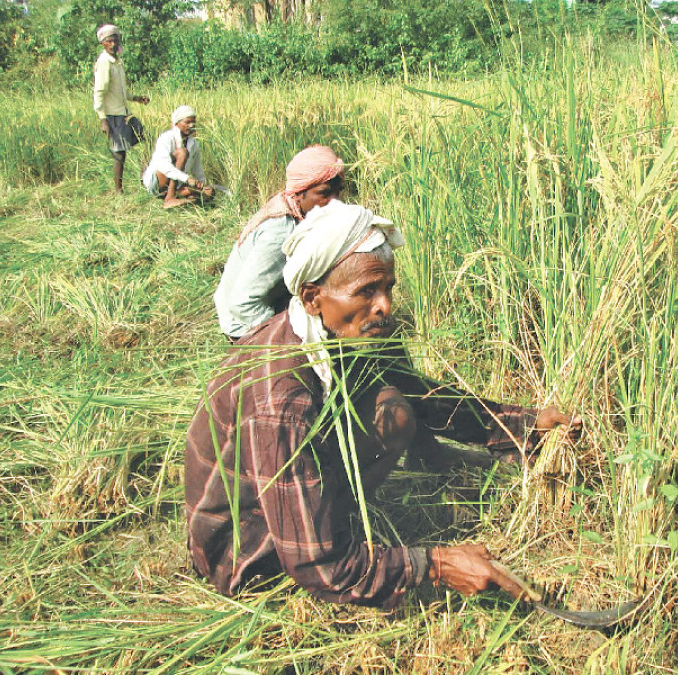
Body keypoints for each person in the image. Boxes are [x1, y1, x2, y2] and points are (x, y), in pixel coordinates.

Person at [186, 200, 578, 608]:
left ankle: (337, 521)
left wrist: (523, 424)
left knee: (395, 410)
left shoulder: (335, 330)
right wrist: (436, 564)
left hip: (281, 502)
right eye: (366, 291)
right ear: (312, 297)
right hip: (244, 551)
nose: (385, 306)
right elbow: (323, 569)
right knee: (323, 550)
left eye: (388, 288)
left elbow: (423, 397)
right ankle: (332, 537)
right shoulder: (280, 400)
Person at [213, 145, 344, 341]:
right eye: (324, 193)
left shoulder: (294, 206)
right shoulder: (281, 231)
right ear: (299, 193)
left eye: (338, 191)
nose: (335, 202)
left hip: (265, 300)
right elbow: (241, 303)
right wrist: (285, 337)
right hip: (242, 323)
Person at [93, 25, 149, 193]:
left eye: (115, 40)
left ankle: (144, 177)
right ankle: (119, 191)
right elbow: (99, 92)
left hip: (124, 113)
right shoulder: (104, 62)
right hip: (113, 115)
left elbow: (120, 91)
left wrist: (136, 98)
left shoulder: (117, 61)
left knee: (148, 140)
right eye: (109, 41)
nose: (113, 44)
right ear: (102, 43)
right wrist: (103, 119)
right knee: (119, 153)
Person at [142, 106, 214, 208]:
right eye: (187, 122)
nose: (191, 125)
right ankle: (170, 198)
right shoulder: (166, 138)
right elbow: (164, 166)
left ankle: (185, 199)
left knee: (209, 192)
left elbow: (197, 170)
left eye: (193, 122)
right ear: (177, 123)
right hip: (158, 183)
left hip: (178, 185)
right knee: (182, 153)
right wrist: (187, 179)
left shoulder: (194, 144)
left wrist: (202, 185)